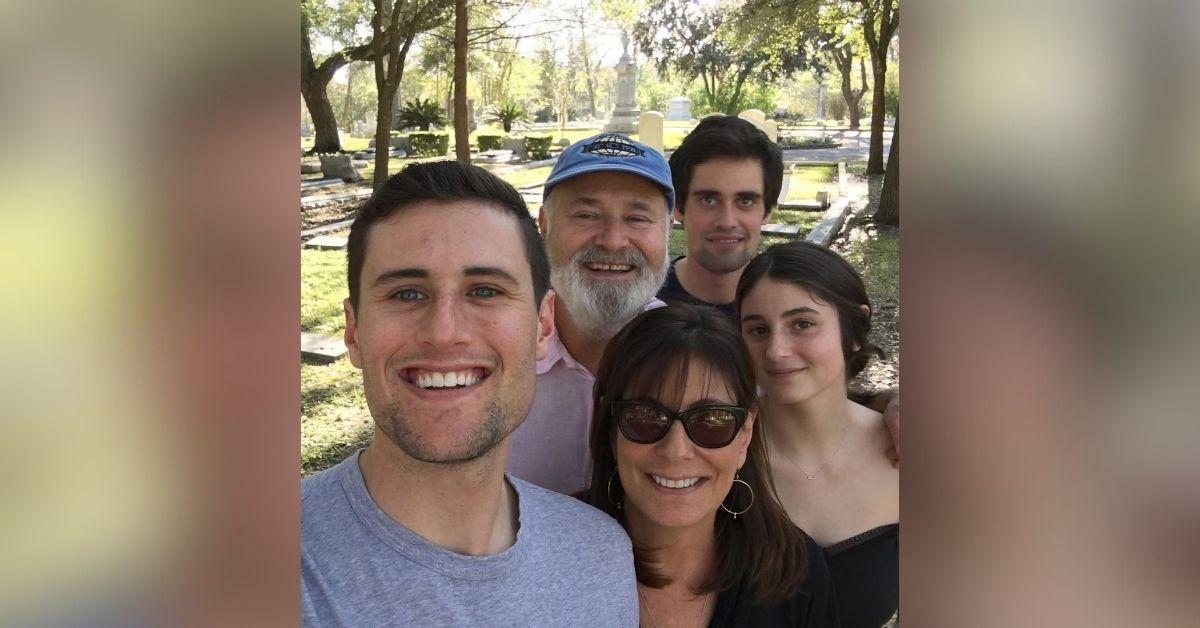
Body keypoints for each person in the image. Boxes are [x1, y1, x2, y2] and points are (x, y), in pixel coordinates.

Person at [301, 161, 638, 626]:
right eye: (406, 294)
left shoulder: (600, 558)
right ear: (354, 330)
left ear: (542, 325)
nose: (444, 333)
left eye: (484, 290)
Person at [584, 303, 840, 628]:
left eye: (711, 421)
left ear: (745, 435)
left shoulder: (794, 574)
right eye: (645, 418)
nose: (677, 451)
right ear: (611, 432)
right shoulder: (549, 559)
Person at [736, 242, 898, 628]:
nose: (775, 350)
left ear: (854, 331)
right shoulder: (720, 451)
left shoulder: (906, 454)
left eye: (802, 324)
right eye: (757, 329)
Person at [506, 132, 675, 494]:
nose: (613, 240)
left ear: (668, 230)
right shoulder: (495, 360)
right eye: (587, 215)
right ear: (544, 226)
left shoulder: (694, 361)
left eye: (638, 218)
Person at [657, 115, 782, 317]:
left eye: (745, 201)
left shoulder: (788, 311)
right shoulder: (642, 308)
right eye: (708, 200)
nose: (727, 222)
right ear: (678, 207)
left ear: (767, 211)